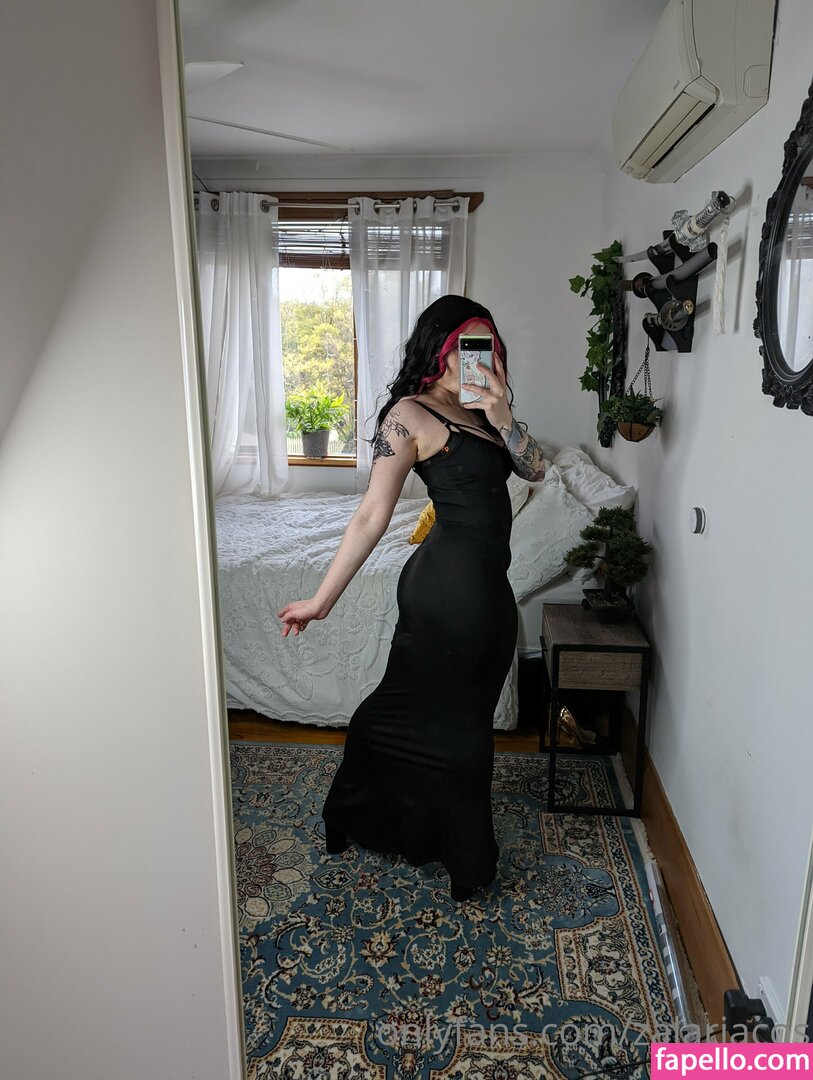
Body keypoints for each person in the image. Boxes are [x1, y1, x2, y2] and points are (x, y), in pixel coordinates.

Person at [277, 294, 548, 902]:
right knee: (434, 721)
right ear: (439, 348)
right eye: (465, 344)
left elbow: (536, 470)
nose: (478, 355)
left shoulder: (488, 412)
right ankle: (446, 849)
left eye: (488, 343)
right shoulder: (409, 415)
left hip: (487, 594)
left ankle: (398, 819)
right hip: (445, 591)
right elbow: (371, 516)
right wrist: (322, 600)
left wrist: (505, 418)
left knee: (455, 718)